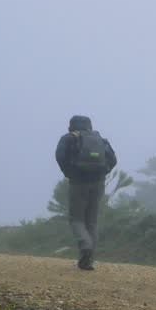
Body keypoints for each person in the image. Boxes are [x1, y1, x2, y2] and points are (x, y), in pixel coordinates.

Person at [55, 115, 117, 270]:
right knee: (92, 222)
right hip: (98, 183)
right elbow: (113, 159)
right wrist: (102, 173)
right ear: (90, 126)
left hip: (78, 183)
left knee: (76, 219)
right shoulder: (100, 139)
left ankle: (85, 247)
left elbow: (60, 156)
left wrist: (69, 173)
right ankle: (88, 261)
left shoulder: (68, 138)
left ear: (71, 126)